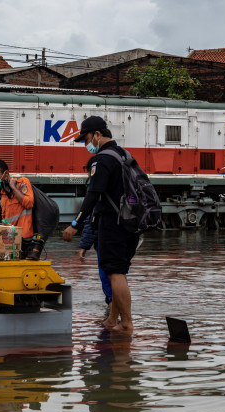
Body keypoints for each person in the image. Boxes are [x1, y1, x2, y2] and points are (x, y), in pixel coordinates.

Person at [62, 116, 141, 333]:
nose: (86, 144)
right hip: (129, 222)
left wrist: (75, 223)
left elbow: (93, 195)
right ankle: (112, 318)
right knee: (117, 271)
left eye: (86, 138)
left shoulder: (102, 159)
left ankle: (126, 324)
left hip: (113, 223)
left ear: (98, 134)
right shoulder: (124, 154)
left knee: (115, 273)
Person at [0, 160, 36, 259]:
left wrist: (13, 188)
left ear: (6, 174)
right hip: (10, 240)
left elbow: (29, 203)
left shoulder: (22, 183)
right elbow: (6, 219)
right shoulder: (4, 193)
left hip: (24, 239)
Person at [78, 215, 113, 312]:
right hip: (124, 240)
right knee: (120, 275)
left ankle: (112, 311)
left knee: (106, 276)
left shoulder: (98, 200)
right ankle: (123, 315)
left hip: (104, 240)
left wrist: (84, 246)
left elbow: (92, 220)